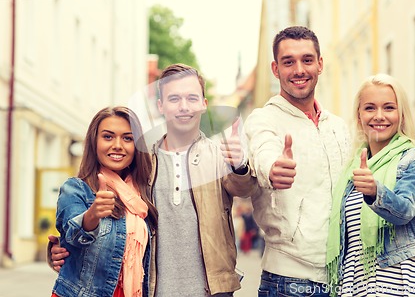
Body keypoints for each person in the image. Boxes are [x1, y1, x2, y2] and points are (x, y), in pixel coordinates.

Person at [50, 64, 257, 297]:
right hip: (152, 289)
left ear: (203, 104)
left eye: (191, 98)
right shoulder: (143, 161)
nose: (183, 106)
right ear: (161, 106)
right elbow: (106, 217)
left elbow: (246, 188)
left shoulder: (220, 154)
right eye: (174, 98)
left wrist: (239, 164)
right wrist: (62, 248)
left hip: (212, 290)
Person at [244, 26, 351, 296]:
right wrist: (271, 169)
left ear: (320, 64)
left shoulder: (338, 126)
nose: (299, 70)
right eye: (288, 62)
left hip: (343, 278)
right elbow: (262, 151)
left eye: (307, 59)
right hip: (289, 282)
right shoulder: (264, 119)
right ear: (275, 69)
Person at [326, 74, 415, 296]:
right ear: (359, 116)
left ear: (401, 115)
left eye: (389, 108)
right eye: (370, 108)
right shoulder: (351, 170)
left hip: (402, 282)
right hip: (355, 283)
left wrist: (374, 191)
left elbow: (404, 210)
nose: (379, 116)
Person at [50, 106, 158, 297]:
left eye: (127, 138)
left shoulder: (144, 195)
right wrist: (93, 214)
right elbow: (72, 235)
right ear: (94, 142)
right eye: (108, 136)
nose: (118, 145)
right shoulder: (76, 189)